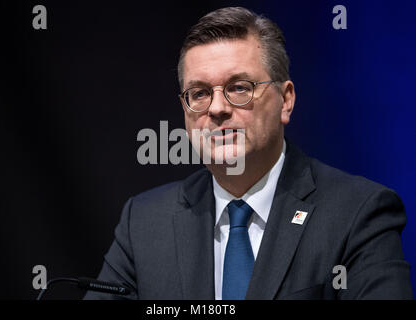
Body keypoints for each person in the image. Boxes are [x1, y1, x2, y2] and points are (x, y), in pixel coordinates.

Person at [84, 7, 413, 300]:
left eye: (239, 87)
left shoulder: (358, 213)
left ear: (285, 100)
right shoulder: (143, 222)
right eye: (199, 93)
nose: (217, 108)